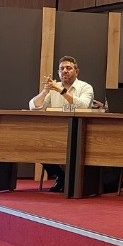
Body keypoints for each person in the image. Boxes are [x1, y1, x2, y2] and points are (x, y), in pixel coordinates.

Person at [29, 56, 94, 192]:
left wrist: (60, 90)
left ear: (77, 71)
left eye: (68, 68)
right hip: (56, 132)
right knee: (38, 144)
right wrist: (45, 91)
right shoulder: (53, 88)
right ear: (58, 72)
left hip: (79, 132)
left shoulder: (85, 87)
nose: (65, 71)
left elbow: (83, 105)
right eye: (62, 69)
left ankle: (73, 180)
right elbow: (34, 107)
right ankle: (61, 176)